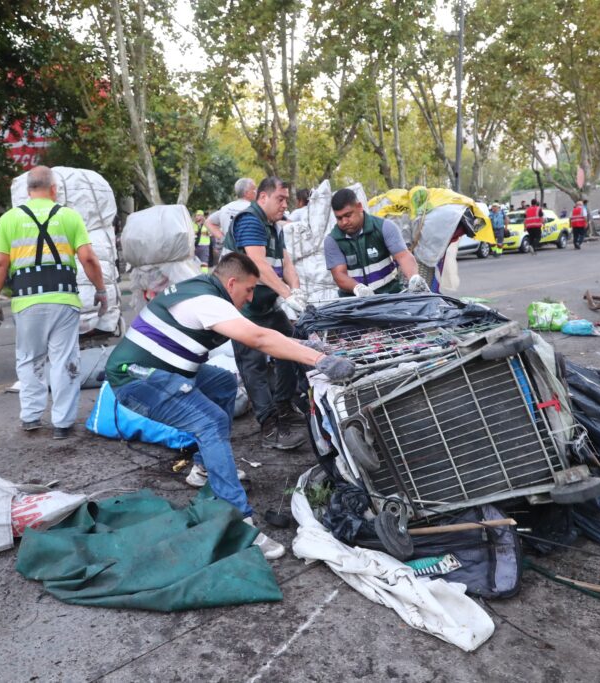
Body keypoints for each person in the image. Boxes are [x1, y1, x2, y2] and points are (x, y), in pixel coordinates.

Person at [104, 252, 355, 560]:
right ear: (232, 282)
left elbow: (259, 333)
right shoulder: (209, 301)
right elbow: (259, 338)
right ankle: (240, 522)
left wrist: (305, 346)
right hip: (136, 377)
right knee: (208, 422)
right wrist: (320, 360)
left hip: (164, 369)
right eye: (249, 290)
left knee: (223, 383)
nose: (250, 298)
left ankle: (204, 468)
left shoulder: (203, 289)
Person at [0, 166, 108, 440]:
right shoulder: (69, 216)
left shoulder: (9, 219)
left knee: (30, 360)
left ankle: (31, 417)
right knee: (64, 360)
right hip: (64, 300)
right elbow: (88, 258)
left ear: (28, 191)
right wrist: (101, 291)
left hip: (26, 302)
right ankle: (63, 424)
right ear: (54, 190)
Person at [222, 177, 309, 450]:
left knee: (290, 345)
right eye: (280, 199)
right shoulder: (250, 220)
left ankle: (284, 404)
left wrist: (296, 292)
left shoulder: (273, 227)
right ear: (262, 198)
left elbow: (286, 262)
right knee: (253, 364)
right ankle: (269, 425)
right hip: (243, 307)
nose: (285, 204)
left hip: (266, 305)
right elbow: (257, 263)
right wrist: (286, 294)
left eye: (286, 199)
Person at [324, 189, 428, 296]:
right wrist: (357, 288)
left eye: (348, 215)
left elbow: (403, 256)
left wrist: (414, 277)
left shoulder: (384, 227)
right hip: (354, 302)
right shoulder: (333, 241)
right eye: (339, 218)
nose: (344, 222)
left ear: (359, 207)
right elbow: (339, 275)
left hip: (390, 295)